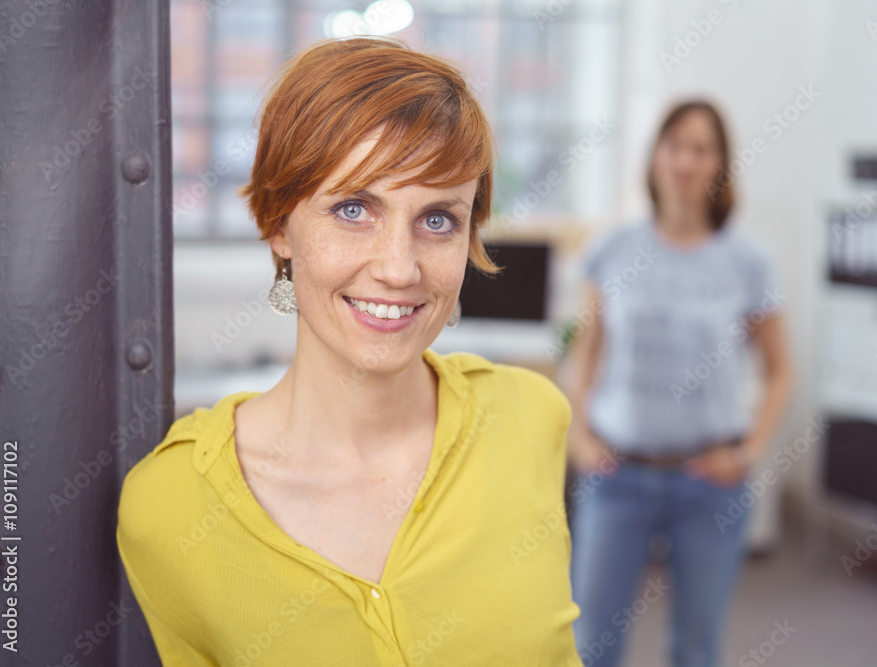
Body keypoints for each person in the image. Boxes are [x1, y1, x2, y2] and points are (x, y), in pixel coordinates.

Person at [116, 37, 583, 666]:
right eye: (354, 208)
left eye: (439, 219)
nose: (399, 268)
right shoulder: (170, 507)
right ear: (279, 226)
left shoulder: (531, 419)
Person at [566, 100, 794, 667]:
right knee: (590, 641)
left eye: (701, 148)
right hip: (617, 476)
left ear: (720, 164)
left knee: (695, 647)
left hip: (708, 483)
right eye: (675, 145)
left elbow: (781, 371)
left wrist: (749, 451)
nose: (685, 161)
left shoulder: (749, 261)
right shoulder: (612, 249)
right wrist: (581, 441)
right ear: (655, 157)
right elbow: (583, 357)